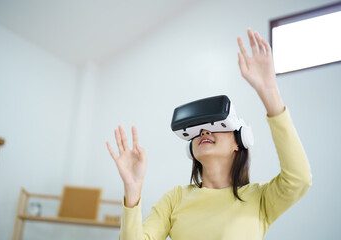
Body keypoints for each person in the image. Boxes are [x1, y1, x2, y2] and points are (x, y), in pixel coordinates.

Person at [106, 28, 312, 240]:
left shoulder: (259, 199)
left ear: (239, 141)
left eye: (217, 125)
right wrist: (132, 189)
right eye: (198, 129)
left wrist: (269, 91)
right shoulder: (175, 198)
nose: (204, 130)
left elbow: (299, 179)